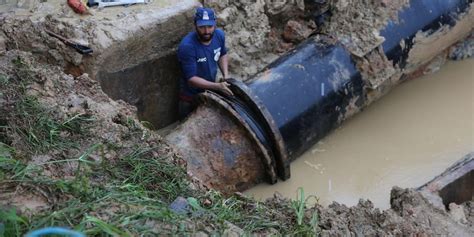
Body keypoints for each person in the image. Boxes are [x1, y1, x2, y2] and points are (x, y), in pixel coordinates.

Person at [177, 7, 234, 119]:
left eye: (210, 26)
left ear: (215, 24)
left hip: (210, 92)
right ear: (195, 25)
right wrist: (217, 86)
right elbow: (191, 79)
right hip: (190, 98)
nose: (207, 31)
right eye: (202, 27)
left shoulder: (219, 36)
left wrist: (225, 75)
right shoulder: (187, 46)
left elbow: (222, 53)